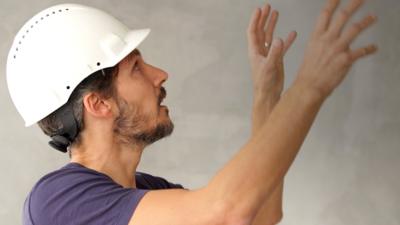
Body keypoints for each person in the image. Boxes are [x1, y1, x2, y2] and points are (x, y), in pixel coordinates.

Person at [6, 0, 377, 224]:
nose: (160, 75)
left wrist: (267, 98)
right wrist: (310, 87)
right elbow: (228, 210)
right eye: (136, 68)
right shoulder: (57, 200)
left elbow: (258, 216)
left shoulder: (146, 192)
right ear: (98, 104)